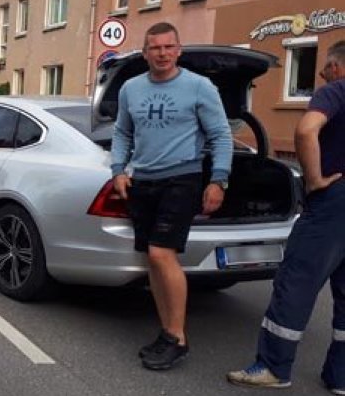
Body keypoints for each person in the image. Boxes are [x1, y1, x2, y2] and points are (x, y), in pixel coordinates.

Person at [111, 21, 233, 371]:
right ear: (145, 52)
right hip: (143, 180)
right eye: (154, 48)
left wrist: (219, 180)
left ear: (178, 50)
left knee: (161, 253)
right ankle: (167, 332)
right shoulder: (130, 89)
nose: (162, 53)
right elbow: (122, 132)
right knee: (152, 259)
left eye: (168, 47)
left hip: (183, 177)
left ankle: (178, 337)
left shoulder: (199, 87)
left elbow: (221, 136)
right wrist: (118, 169)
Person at [227, 39, 345, 392]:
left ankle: (273, 367)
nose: (323, 75)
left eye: (325, 67)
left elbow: (306, 130)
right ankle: (340, 377)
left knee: (296, 282)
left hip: (334, 200)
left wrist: (314, 181)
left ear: (338, 66)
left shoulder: (336, 91)